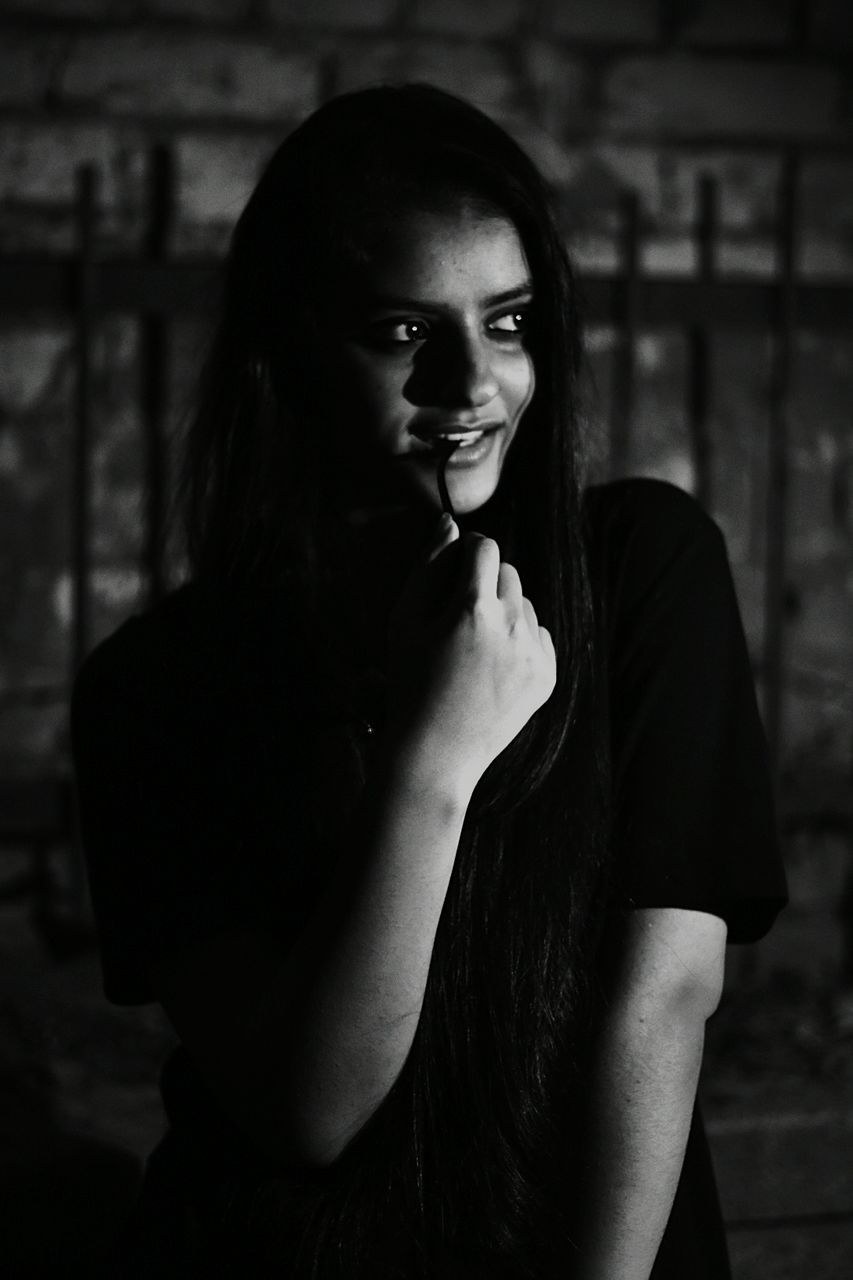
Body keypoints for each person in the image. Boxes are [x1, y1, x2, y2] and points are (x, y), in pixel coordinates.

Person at [71, 84, 787, 1278]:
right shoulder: (156, 687)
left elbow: (663, 996)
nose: (469, 386)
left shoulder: (642, 569)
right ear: (292, 349)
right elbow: (310, 1107)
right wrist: (434, 758)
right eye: (403, 332)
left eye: (506, 322)